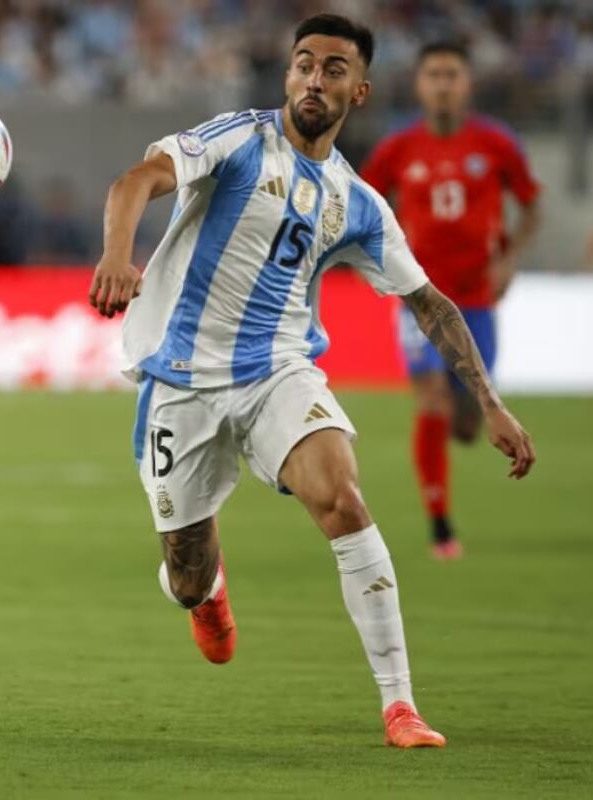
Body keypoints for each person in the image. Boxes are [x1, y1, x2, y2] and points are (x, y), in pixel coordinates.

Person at [88, 14, 535, 748]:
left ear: (357, 91)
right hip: (181, 383)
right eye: (302, 64)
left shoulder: (357, 202)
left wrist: (490, 404)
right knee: (188, 576)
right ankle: (208, 594)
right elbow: (138, 178)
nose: (312, 79)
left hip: (277, 372)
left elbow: (429, 302)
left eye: (332, 70)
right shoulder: (237, 139)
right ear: (287, 75)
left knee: (344, 498)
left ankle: (400, 706)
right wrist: (115, 255)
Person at [361, 42, 541, 560]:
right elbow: (360, 204)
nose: (442, 83)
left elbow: (531, 206)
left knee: (467, 422)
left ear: (467, 84)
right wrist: (378, 262)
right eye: (434, 75)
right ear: (420, 85)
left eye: (452, 74)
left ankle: (464, 431)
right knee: (432, 401)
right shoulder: (398, 149)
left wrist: (510, 260)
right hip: (420, 296)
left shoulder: (496, 144)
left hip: (478, 299)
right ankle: (440, 525)